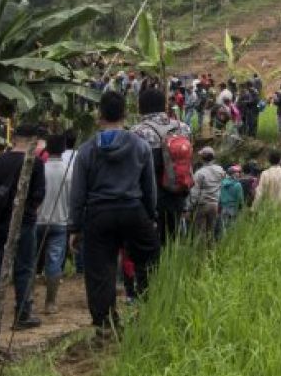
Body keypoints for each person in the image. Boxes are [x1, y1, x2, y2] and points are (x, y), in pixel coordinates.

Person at [68, 92, 159, 336]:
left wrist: (75, 227)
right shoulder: (140, 145)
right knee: (149, 258)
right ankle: (148, 307)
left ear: (99, 116)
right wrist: (150, 216)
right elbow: (149, 186)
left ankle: (105, 324)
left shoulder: (86, 150)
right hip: (133, 209)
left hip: (99, 214)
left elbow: (78, 192)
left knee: (100, 270)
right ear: (125, 115)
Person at [0, 123, 46, 329]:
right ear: (32, 141)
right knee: (24, 268)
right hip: (24, 223)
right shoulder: (35, 163)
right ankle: (23, 314)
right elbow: (38, 196)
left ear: (15, 138)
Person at [129, 87, 192, 247]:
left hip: (150, 199)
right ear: (164, 106)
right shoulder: (183, 128)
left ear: (140, 107)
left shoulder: (137, 132)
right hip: (177, 194)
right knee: (172, 242)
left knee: (150, 245)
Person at [36, 134, 71, 315]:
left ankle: (27, 301)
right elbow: (73, 198)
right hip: (60, 222)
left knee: (30, 261)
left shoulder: (40, 169)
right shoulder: (68, 170)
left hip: (38, 221)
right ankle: (50, 303)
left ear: (47, 149)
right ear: (64, 149)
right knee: (54, 262)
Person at [187, 147, 224, 239]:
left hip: (202, 205)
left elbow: (194, 193)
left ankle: (200, 252)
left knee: (200, 233)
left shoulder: (200, 173)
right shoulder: (220, 170)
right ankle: (211, 252)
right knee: (210, 232)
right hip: (214, 204)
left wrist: (189, 207)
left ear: (202, 158)